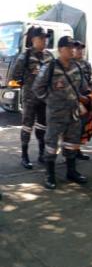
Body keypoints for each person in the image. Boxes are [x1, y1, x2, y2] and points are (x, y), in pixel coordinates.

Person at [33, 36, 89, 190]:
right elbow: (37, 88)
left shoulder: (77, 67)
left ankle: (71, 171)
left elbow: (83, 88)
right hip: (56, 114)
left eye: (74, 47)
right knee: (51, 145)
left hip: (73, 113)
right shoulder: (50, 67)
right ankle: (50, 174)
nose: (73, 50)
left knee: (72, 143)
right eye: (70, 47)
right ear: (60, 49)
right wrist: (51, 101)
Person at [12, 26, 53, 170]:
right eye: (41, 38)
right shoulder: (26, 56)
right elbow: (15, 75)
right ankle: (24, 156)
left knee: (42, 127)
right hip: (30, 99)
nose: (44, 41)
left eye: (45, 38)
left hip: (44, 99)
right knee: (27, 127)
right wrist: (27, 82)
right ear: (34, 39)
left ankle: (42, 154)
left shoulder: (49, 56)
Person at [73, 40, 92, 161]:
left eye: (81, 49)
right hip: (73, 99)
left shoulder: (86, 64)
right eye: (77, 48)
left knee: (82, 127)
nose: (80, 51)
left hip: (85, 99)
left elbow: (89, 81)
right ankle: (70, 153)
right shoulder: (69, 64)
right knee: (72, 128)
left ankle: (77, 150)